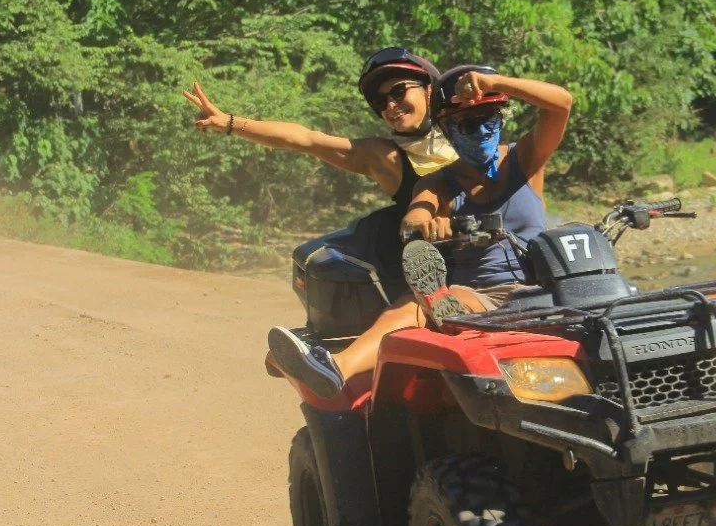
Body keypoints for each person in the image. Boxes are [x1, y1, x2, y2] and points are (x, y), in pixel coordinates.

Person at [266, 64, 573, 398]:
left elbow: (561, 104)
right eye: (466, 125)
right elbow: (417, 212)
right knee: (416, 307)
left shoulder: (526, 160)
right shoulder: (440, 183)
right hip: (485, 295)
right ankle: (337, 367)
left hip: (552, 285)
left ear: (500, 118)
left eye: (489, 118)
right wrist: (427, 222)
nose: (481, 130)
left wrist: (496, 82)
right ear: (448, 130)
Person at [182, 47, 460, 208]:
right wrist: (229, 122)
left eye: (399, 92)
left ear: (429, 90)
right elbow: (304, 139)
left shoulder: (469, 129)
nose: (390, 105)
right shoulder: (383, 156)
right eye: (380, 100)